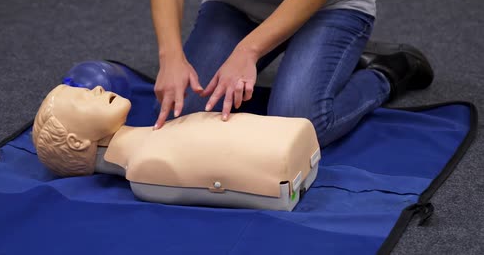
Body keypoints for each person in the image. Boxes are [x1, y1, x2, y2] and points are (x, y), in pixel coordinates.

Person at [150, 0, 433, 147]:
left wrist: (246, 51)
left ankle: (385, 74)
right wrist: (171, 56)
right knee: (179, 113)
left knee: (296, 127)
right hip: (237, 8)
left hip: (328, 8)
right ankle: (319, 70)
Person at [31, 84, 320, 210]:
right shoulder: (145, 170)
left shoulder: (156, 140)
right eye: (82, 98)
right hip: (279, 163)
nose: (94, 89)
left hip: (287, 147)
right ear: (75, 142)